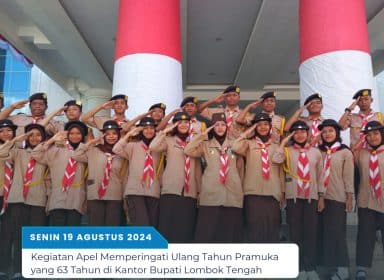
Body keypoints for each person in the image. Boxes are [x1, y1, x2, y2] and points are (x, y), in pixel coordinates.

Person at [272, 120, 324, 280]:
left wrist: (321, 196)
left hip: (311, 197)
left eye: (303, 132)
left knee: (310, 233)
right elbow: (276, 159)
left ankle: (311, 267)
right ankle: (299, 267)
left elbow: (320, 175)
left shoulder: (316, 152)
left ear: (308, 134)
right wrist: (283, 143)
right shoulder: (287, 151)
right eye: (296, 132)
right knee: (295, 233)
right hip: (293, 197)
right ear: (293, 135)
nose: (300, 135)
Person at [184, 113, 243, 242]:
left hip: (232, 193)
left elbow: (240, 168)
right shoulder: (205, 145)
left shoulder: (235, 144)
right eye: (216, 125)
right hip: (211, 192)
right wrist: (202, 135)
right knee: (208, 231)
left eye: (223, 125)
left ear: (227, 127)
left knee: (229, 232)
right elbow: (188, 150)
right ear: (212, 128)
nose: (220, 128)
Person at [0, 123, 48, 280]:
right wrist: (15, 140)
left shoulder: (46, 154)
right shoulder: (18, 152)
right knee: (19, 235)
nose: (34, 138)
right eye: (30, 135)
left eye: (38, 135)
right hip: (18, 198)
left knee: (34, 235)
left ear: (43, 138)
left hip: (38, 199)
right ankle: (18, 269)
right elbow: (2, 153)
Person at [232, 113, 284, 243]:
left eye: (266, 124)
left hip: (272, 193)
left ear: (270, 126)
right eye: (259, 125)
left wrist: (282, 192)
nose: (263, 127)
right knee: (253, 228)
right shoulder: (248, 144)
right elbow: (235, 146)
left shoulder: (277, 146)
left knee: (272, 229)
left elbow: (281, 171)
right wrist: (248, 131)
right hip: (252, 192)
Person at [150, 112, 199, 242]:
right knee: (168, 225)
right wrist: (165, 131)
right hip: (172, 188)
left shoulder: (195, 141)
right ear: (175, 125)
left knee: (186, 226)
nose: (183, 125)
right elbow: (153, 146)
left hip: (190, 190)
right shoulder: (169, 140)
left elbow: (198, 167)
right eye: (179, 122)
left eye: (186, 122)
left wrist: (199, 190)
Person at [32, 121, 88, 226]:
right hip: (57, 198)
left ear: (83, 135)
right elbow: (35, 153)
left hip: (76, 199)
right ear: (66, 135)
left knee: (72, 234)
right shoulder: (55, 150)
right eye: (71, 133)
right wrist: (52, 140)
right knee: (58, 233)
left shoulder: (86, 152)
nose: (74, 136)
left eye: (78, 133)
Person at [317, 119, 354, 280]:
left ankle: (343, 267)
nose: (327, 134)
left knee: (337, 233)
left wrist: (349, 196)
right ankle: (330, 266)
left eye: (330, 131)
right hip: (319, 198)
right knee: (324, 233)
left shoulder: (345, 152)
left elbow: (348, 177)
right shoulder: (318, 151)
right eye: (324, 132)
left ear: (337, 133)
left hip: (337, 198)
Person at [72, 120, 125, 226]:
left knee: (112, 228)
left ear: (119, 135)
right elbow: (75, 155)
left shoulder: (122, 152)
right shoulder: (94, 150)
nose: (111, 136)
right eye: (108, 134)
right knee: (95, 227)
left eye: (114, 133)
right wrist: (90, 143)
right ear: (103, 136)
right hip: (95, 193)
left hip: (115, 194)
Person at [113, 117, 162, 226]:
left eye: (151, 128)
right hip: (135, 190)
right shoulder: (133, 146)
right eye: (145, 128)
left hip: (153, 190)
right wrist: (128, 135)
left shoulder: (159, 148)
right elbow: (116, 149)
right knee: (141, 223)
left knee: (152, 224)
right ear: (141, 131)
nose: (149, 131)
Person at [353, 121, 384, 280]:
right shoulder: (361, 153)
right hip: (366, 200)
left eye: (376, 134)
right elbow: (350, 154)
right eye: (369, 135)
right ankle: (361, 268)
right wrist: (360, 140)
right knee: (365, 234)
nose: (373, 137)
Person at [0, 119, 18, 279]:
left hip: (13, 195)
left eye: (9, 130)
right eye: (2, 131)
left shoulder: (19, 149)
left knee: (9, 232)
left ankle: (7, 267)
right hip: (0, 194)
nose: (6, 134)